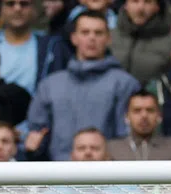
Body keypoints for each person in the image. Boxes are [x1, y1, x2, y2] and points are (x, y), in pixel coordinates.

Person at [24, 11, 139, 161]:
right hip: (58, 175)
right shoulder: (50, 85)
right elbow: (36, 135)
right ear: (74, 38)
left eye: (98, 33)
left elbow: (127, 136)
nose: (92, 38)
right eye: (85, 32)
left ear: (109, 38)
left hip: (109, 175)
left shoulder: (125, 84)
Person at [110, 0, 171, 85]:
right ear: (126, 5)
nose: (140, 8)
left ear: (157, 7)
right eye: (135, 1)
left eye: (148, 2)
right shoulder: (109, 37)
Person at [106, 91, 171, 160]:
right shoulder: (111, 149)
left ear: (159, 116)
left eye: (150, 110)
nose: (144, 115)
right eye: (137, 110)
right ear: (127, 117)